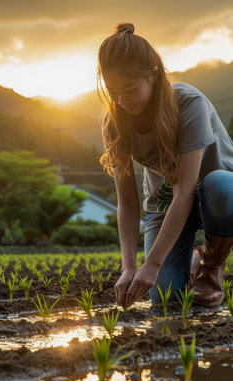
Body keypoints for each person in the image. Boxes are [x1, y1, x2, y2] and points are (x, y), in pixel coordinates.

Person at [97, 22, 233, 309]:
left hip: (220, 196)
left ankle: (211, 267)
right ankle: (192, 259)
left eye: (130, 89)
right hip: (165, 201)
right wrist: (130, 267)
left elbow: (186, 190)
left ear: (154, 75)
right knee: (166, 297)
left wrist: (154, 261)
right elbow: (128, 204)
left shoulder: (188, 104)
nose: (121, 100)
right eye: (113, 91)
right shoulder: (114, 124)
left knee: (218, 185)